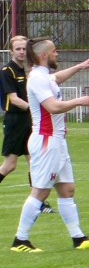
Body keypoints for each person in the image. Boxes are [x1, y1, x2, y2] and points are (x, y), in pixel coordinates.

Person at [11, 38, 89, 252]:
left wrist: (81, 66)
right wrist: (77, 101)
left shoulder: (44, 76)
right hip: (46, 141)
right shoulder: (36, 78)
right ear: (44, 55)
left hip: (57, 141)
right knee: (40, 192)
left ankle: (78, 238)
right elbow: (52, 107)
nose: (57, 54)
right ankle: (20, 240)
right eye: (54, 51)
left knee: (67, 189)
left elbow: (56, 78)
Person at [0, 36, 55, 213]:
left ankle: (39, 202)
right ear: (11, 51)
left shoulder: (31, 70)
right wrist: (36, 108)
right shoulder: (7, 71)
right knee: (10, 164)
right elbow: (14, 99)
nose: (22, 52)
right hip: (15, 120)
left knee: (35, 161)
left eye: (24, 49)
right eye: (18, 49)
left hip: (31, 120)